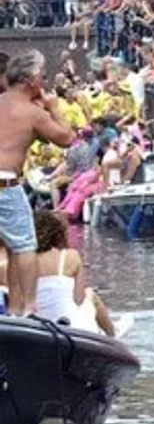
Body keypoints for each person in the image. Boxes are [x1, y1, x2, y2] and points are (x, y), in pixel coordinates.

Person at [0, 50, 76, 316]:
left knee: (9, 246)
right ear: (32, 80)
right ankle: (29, 307)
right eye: (43, 77)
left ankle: (14, 306)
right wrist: (54, 108)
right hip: (5, 184)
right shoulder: (32, 112)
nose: (45, 82)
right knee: (23, 246)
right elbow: (66, 138)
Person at [33, 211, 114, 335]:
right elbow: (79, 299)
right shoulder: (70, 256)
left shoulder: (23, 261)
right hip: (69, 324)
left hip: (37, 324)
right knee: (90, 294)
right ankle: (112, 336)